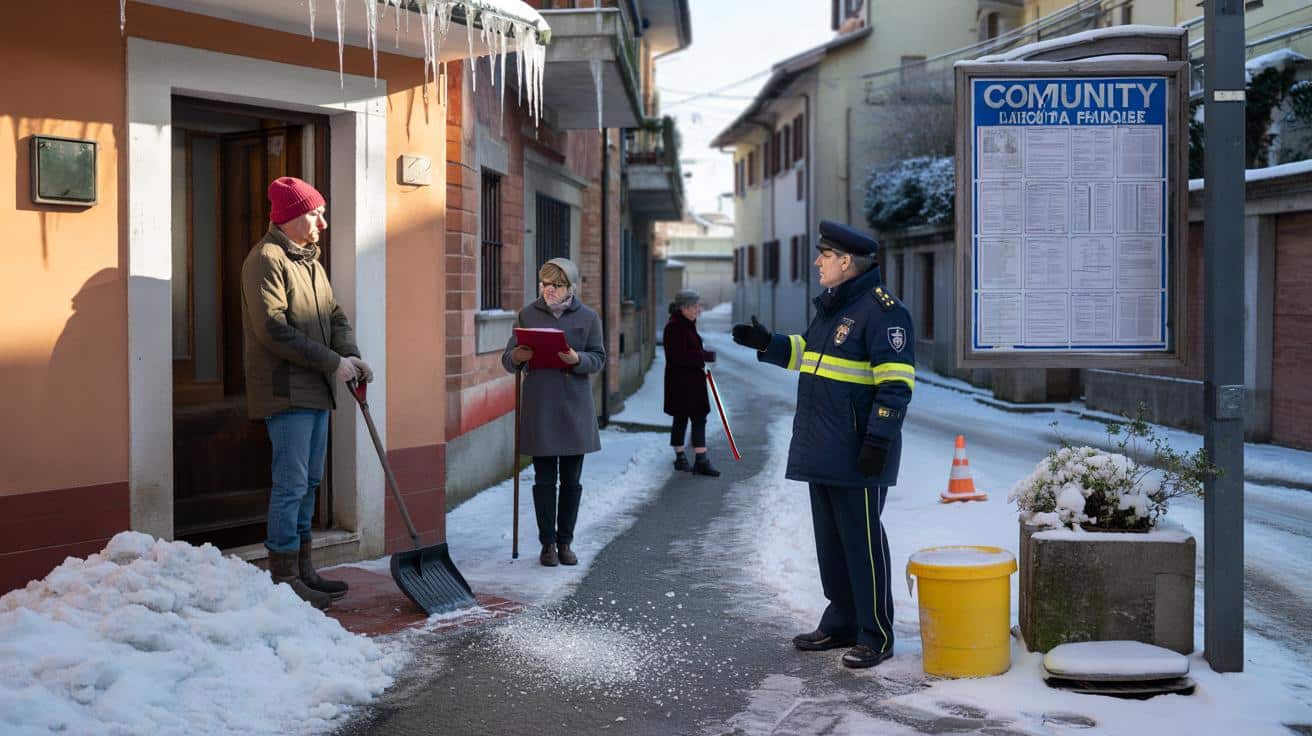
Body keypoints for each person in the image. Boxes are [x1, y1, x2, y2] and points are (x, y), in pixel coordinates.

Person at [731, 220, 914, 669]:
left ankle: (877, 633)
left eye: (824, 255)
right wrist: (768, 343)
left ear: (846, 261)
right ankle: (841, 622)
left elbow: (896, 386)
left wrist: (877, 441)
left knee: (863, 543)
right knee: (832, 545)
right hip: (826, 447)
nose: (817, 262)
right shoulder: (834, 308)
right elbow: (809, 354)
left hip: (859, 453)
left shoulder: (884, 312)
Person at [241, 176, 370, 610]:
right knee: (291, 484)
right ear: (292, 216)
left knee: (311, 483)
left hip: (314, 390)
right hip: (286, 392)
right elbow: (273, 329)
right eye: (316, 214)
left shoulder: (310, 261)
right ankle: (283, 578)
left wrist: (349, 354)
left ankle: (304, 569)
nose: (323, 223)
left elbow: (333, 315)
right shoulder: (266, 260)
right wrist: (334, 363)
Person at [502, 258, 607, 568]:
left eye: (556, 286)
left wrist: (577, 359)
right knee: (544, 479)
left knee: (571, 481)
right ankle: (547, 543)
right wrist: (518, 355)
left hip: (574, 406)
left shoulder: (588, 317)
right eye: (545, 285)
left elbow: (599, 358)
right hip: (540, 405)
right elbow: (509, 360)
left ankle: (565, 543)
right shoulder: (527, 314)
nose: (549, 291)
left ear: (570, 288)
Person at [663, 289, 720, 477]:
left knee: (693, 418)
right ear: (684, 307)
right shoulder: (674, 327)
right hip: (682, 384)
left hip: (690, 382)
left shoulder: (686, 324)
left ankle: (692, 459)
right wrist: (703, 356)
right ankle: (688, 459)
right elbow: (677, 356)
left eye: (698, 306)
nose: (699, 310)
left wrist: (702, 357)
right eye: (695, 306)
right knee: (686, 418)